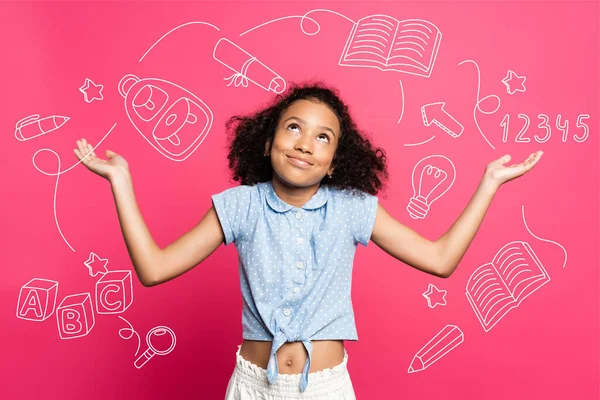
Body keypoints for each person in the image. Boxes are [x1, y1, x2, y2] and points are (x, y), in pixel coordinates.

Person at [74, 82, 543, 399]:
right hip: (253, 385)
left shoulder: (352, 208)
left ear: (336, 161)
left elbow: (440, 259)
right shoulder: (240, 206)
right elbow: (154, 270)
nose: (304, 143)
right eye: (293, 127)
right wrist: (121, 181)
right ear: (267, 141)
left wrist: (488, 184)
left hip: (324, 388)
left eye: (323, 137)